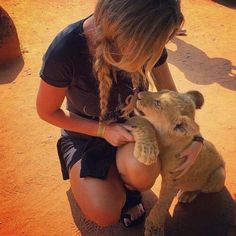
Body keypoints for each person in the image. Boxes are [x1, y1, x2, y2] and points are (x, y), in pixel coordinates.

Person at [36, 0, 203, 228]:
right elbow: (46, 111)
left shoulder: (146, 39)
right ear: (128, 29)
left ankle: (127, 187)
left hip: (134, 129)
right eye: (146, 48)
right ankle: (102, 181)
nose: (150, 55)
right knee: (104, 214)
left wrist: (196, 138)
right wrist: (103, 130)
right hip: (85, 134)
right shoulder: (66, 49)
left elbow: (174, 97)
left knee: (143, 171)